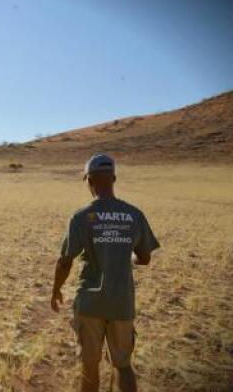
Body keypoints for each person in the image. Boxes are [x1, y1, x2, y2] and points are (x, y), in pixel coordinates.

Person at [50, 153, 159, 392]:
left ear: (89, 181)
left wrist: (56, 290)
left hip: (90, 303)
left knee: (89, 367)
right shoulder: (134, 214)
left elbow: (65, 261)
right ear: (114, 178)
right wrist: (126, 255)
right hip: (121, 301)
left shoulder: (80, 217)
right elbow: (145, 258)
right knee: (122, 365)